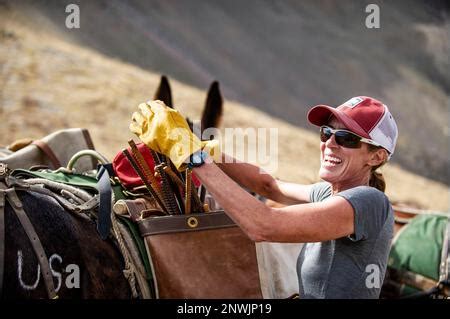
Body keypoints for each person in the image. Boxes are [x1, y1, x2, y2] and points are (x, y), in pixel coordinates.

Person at [130, 96, 398, 299]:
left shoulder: (369, 202)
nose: (330, 142)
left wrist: (191, 157)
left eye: (347, 139)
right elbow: (269, 186)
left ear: (376, 157)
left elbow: (264, 224)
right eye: (326, 133)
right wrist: (203, 149)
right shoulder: (328, 194)